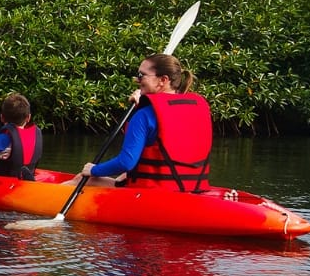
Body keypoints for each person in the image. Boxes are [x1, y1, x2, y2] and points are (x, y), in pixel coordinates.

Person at [65, 53, 212, 191]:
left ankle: (43, 197)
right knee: (116, 177)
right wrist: (139, 107)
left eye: (142, 75)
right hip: (191, 189)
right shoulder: (192, 109)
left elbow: (126, 162)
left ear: (163, 80)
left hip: (150, 195)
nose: (136, 80)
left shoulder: (144, 115)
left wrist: (93, 170)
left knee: (82, 179)